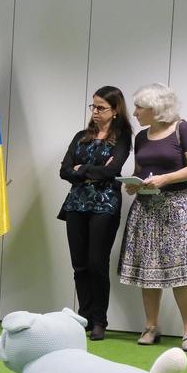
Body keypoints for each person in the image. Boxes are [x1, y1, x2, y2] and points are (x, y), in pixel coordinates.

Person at [119, 83, 187, 352]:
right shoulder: (141, 137)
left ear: (156, 109)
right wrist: (134, 184)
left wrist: (165, 178)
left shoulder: (184, 129)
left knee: (181, 272)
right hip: (146, 207)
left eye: (139, 108)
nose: (134, 113)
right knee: (148, 270)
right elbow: (141, 169)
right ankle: (150, 326)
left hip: (177, 207)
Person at [58, 86, 132, 341]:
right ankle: (84, 317)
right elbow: (64, 170)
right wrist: (90, 170)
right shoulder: (81, 136)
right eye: (94, 107)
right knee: (79, 265)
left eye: (102, 108)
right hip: (76, 204)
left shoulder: (122, 137)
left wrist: (82, 169)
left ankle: (99, 320)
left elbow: (112, 172)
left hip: (105, 205)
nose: (96, 112)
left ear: (115, 111)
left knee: (96, 263)